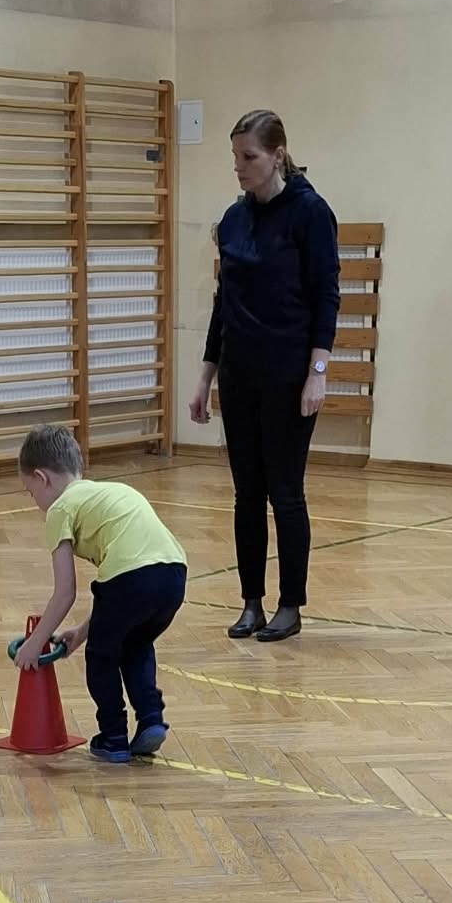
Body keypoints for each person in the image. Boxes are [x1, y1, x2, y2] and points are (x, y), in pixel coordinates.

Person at [187, 108, 340, 643]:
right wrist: (206, 377)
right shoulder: (233, 219)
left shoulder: (310, 213)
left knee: (285, 491)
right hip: (239, 374)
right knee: (246, 494)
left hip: (288, 376)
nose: (239, 166)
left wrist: (317, 372)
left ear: (277, 155)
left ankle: (289, 605)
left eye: (248, 157)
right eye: (234, 157)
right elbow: (223, 304)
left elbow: (326, 297)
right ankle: (250, 601)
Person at [12, 426, 187, 763]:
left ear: (41, 478)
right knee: (135, 643)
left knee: (101, 657)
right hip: (174, 574)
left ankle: (113, 737)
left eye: (30, 493)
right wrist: (80, 632)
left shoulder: (60, 509)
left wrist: (36, 642)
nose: (36, 503)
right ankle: (151, 719)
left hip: (130, 579)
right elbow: (120, 594)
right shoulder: (112, 491)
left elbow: (65, 593)